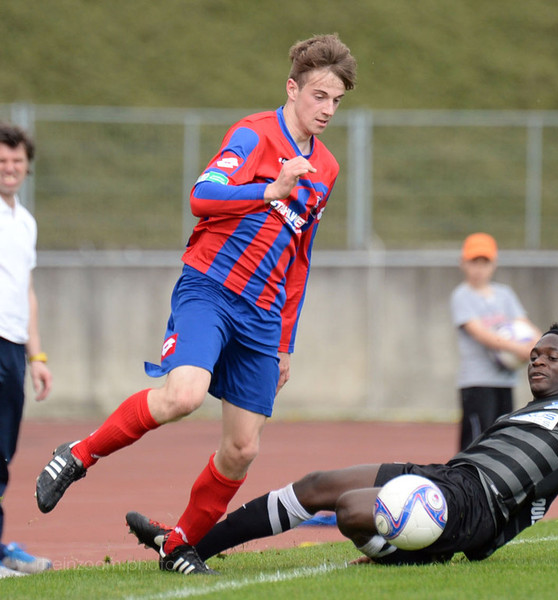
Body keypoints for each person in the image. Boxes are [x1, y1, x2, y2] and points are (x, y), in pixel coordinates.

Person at [35, 34, 357, 575]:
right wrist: (270, 190)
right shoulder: (253, 134)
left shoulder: (326, 168)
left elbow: (301, 260)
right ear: (292, 88)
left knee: (243, 449)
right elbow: (201, 197)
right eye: (319, 95)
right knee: (183, 395)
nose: (327, 109)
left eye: (337, 101)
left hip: (262, 315)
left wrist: (285, 344)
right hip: (210, 289)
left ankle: (177, 543)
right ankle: (78, 454)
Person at [127, 322, 558, 569]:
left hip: (479, 505)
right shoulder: (516, 414)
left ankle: (404, 554)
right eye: (535, 354)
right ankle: (187, 550)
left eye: (552, 358)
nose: (537, 361)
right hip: (449, 478)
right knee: (316, 484)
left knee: (352, 509)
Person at [0, 123, 53, 578]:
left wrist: (37, 357)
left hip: (15, 348)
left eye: (17, 160)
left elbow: (27, 291)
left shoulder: (25, 222)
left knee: (3, 452)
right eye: (1, 161)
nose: (10, 168)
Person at [451, 232, 540, 451]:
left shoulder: (504, 294)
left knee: (502, 443)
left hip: (505, 381)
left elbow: (525, 325)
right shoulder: (462, 296)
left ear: (494, 264)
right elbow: (481, 334)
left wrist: (539, 344)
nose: (479, 269)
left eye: (485, 262)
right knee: (476, 443)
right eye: (474, 262)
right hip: (477, 382)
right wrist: (518, 348)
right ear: (463, 263)